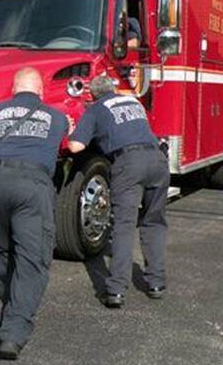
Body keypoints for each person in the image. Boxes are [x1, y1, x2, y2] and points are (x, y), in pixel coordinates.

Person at [0, 67, 69, 361]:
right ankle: (11, 336)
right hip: (32, 185)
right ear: (41, 92)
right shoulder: (57, 117)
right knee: (31, 261)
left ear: (14, 91)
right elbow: (67, 142)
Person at [67, 76, 169, 308]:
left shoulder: (95, 109)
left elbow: (76, 147)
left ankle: (116, 291)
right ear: (113, 89)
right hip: (157, 160)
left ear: (92, 95)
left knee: (123, 225)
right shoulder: (133, 102)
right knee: (154, 222)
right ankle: (156, 284)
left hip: (129, 163)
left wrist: (73, 130)